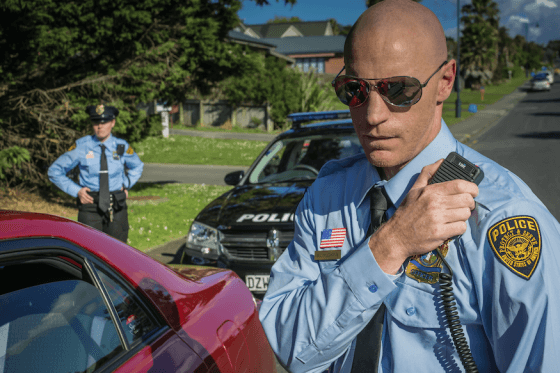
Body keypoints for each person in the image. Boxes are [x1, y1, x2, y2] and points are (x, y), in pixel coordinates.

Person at [258, 1, 560, 372]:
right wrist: (391, 245)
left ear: (445, 81)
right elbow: (290, 349)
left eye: (398, 89)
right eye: (354, 90)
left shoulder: (504, 218)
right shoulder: (327, 197)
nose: (372, 115)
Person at [48, 104, 144, 242]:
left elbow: (137, 166)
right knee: (90, 249)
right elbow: (54, 171)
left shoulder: (121, 146)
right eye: (95, 122)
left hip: (116, 205)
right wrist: (77, 191)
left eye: (104, 122)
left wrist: (127, 184)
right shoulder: (82, 146)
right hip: (90, 205)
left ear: (113, 123)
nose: (100, 126)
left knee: (118, 251)